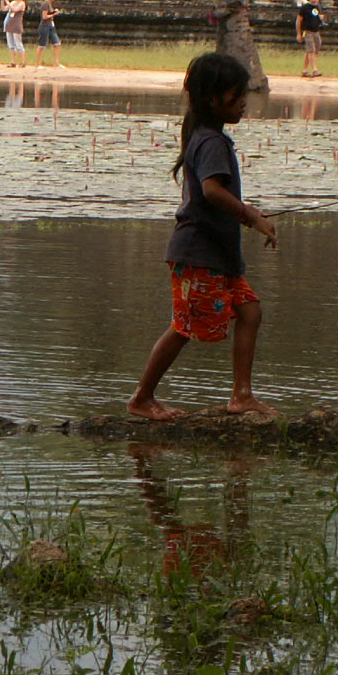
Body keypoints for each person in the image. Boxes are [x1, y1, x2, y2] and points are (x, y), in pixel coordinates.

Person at [128, 52, 277, 422]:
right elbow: (212, 191)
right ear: (213, 99)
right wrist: (251, 215)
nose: (243, 101)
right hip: (199, 254)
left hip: (217, 255)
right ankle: (142, 397)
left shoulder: (208, 136)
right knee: (185, 327)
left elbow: (214, 195)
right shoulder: (210, 141)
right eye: (236, 94)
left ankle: (242, 396)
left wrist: (246, 216)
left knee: (250, 311)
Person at [34, 0, 65, 69]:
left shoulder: (49, 4)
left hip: (51, 26)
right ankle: (37, 64)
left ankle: (56, 63)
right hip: (44, 26)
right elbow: (44, 16)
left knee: (57, 44)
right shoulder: (45, 4)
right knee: (42, 45)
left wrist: (53, 12)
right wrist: (53, 14)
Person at [297, 0, 325, 77]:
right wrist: (299, 33)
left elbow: (317, 18)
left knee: (313, 50)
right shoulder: (305, 8)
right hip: (307, 31)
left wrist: (321, 19)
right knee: (311, 50)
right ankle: (314, 69)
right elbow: (298, 21)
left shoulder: (318, 7)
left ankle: (305, 70)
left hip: (316, 31)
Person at [0, 0, 27, 67]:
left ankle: (22, 62)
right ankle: (13, 62)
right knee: (11, 45)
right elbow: (4, 9)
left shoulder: (22, 3)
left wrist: (7, 2)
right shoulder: (13, 2)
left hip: (16, 25)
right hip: (10, 24)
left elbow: (15, 10)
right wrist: (2, 0)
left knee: (18, 44)